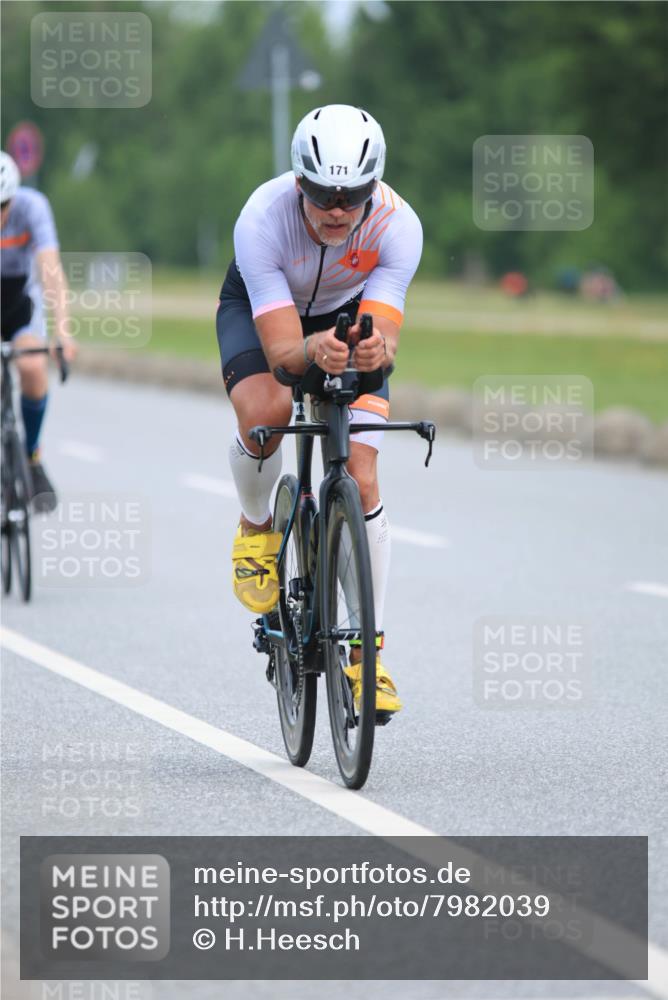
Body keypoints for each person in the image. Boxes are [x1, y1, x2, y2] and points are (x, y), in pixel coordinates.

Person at [216, 105, 423, 717]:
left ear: (373, 186)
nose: (337, 208)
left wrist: (372, 348)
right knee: (268, 412)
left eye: (353, 194)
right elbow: (283, 353)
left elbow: (382, 339)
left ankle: (366, 655)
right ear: (299, 181)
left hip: (345, 313)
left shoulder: (398, 225)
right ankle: (257, 527)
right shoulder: (262, 217)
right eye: (324, 192)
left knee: (360, 476)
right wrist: (311, 351)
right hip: (266, 312)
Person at [0, 150, 76, 512]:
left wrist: (62, 331)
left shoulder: (33, 208)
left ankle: (31, 457)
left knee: (32, 366)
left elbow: (50, 271)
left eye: (2, 206)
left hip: (18, 304)